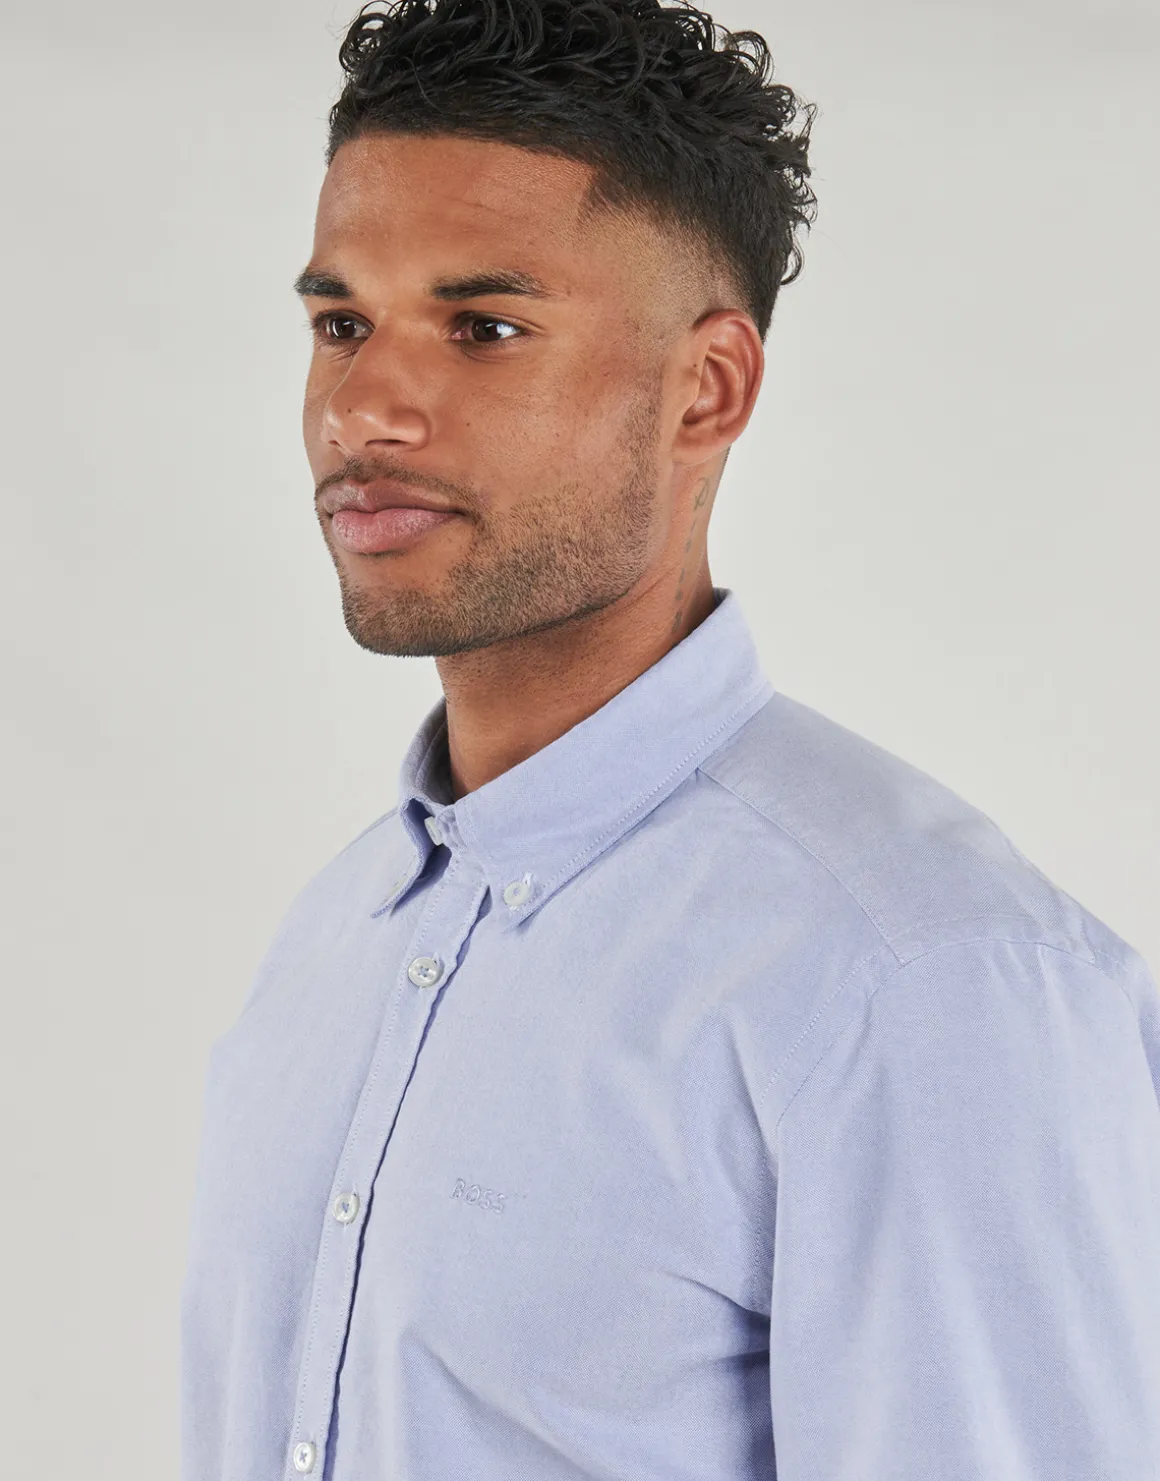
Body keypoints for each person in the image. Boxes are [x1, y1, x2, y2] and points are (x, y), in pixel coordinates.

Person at [179, 0, 1160, 1476]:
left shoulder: (922, 980)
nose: (363, 409)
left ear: (708, 388)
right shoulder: (335, 939)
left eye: (483, 328)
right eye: (341, 324)